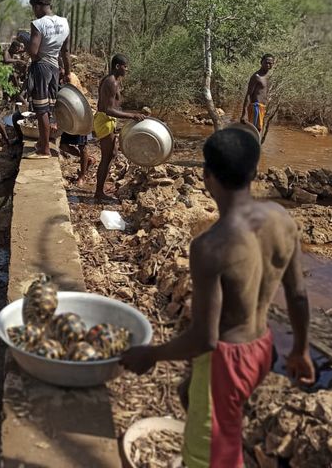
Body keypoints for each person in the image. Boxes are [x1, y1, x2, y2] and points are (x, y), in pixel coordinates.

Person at [121, 127, 315, 468]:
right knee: (195, 399)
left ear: (206, 175)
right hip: (262, 349)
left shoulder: (210, 247)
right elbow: (298, 294)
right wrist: (300, 348)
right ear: (254, 172)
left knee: (208, 457)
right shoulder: (282, 219)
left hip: (227, 360)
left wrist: (151, 355)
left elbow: (205, 339)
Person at [93, 54, 145, 202]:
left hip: (107, 120)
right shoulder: (111, 82)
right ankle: (98, 192)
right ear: (117, 66)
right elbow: (108, 109)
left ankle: (100, 188)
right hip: (105, 120)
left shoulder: (113, 80)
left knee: (113, 154)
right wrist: (132, 116)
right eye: (125, 66)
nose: (126, 69)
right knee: (106, 157)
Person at [25, 0, 71, 158]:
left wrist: (25, 42)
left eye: (33, 9)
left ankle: (44, 148)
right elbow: (65, 51)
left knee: (41, 109)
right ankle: (43, 142)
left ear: (37, 7)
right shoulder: (64, 22)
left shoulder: (38, 24)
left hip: (41, 67)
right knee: (49, 106)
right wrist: (68, 72)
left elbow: (33, 50)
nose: (34, 12)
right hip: (54, 67)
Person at [240, 54, 275, 134]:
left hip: (262, 108)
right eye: (266, 62)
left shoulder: (267, 76)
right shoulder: (256, 76)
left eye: (270, 63)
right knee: (253, 131)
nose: (268, 65)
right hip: (256, 107)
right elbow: (248, 94)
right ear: (261, 62)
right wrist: (244, 113)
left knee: (258, 131)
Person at [3, 31, 30, 106]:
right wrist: (18, 60)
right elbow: (6, 60)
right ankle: (6, 101)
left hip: (10, 72)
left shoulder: (13, 52)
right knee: (6, 88)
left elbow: (22, 50)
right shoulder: (6, 52)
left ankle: (15, 96)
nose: (17, 51)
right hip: (5, 73)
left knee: (15, 80)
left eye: (17, 50)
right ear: (12, 47)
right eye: (16, 49)